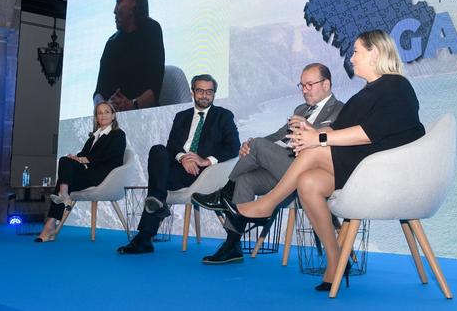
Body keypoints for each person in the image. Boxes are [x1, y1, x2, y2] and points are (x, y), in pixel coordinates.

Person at [221, 30, 425, 291]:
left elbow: (368, 133)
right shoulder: (370, 91)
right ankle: (335, 260)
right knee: (308, 183)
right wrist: (311, 136)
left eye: (356, 51)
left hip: (385, 172)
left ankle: (267, 205)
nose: (351, 58)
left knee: (314, 151)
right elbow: (345, 132)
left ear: (374, 53)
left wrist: (318, 138)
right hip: (363, 167)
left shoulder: (395, 85)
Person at [192, 63, 344, 264]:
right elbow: (277, 136)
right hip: (284, 168)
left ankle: (225, 193)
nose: (305, 90)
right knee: (245, 179)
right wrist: (250, 145)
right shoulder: (301, 108)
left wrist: (306, 127)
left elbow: (328, 144)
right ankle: (232, 245)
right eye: (302, 85)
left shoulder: (340, 110)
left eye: (310, 85)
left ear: (326, 84)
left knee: (257, 147)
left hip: (312, 171)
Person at [117, 74, 240, 254]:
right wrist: (183, 158)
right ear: (192, 92)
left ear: (214, 94)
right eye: (200, 91)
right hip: (179, 169)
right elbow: (172, 145)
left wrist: (204, 160)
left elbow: (233, 146)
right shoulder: (181, 116)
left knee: (157, 185)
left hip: (203, 173)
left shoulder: (223, 116)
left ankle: (145, 236)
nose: (205, 95)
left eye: (209, 91)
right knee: (158, 149)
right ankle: (157, 204)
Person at [35, 101, 126, 242]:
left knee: (64, 178)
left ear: (113, 115)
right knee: (65, 161)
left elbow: (111, 155)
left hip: (105, 175)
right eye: (99, 113)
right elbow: (83, 154)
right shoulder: (93, 137)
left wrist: (85, 160)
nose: (103, 115)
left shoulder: (118, 134)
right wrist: (76, 158)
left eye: (107, 112)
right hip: (88, 173)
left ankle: (51, 222)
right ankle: (61, 199)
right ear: (96, 118)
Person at [94, 0, 165, 111]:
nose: (114, 9)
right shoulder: (111, 43)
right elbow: (98, 93)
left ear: (134, 0)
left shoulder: (152, 31)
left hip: (144, 121)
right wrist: (102, 106)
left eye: (119, 1)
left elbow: (154, 91)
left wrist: (131, 104)